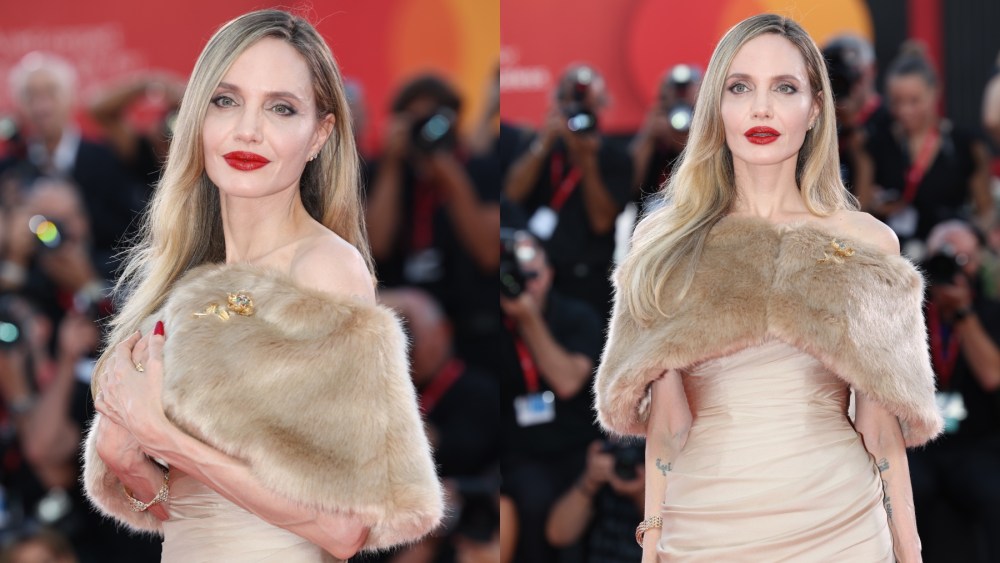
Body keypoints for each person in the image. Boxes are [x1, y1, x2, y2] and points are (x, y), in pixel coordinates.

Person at [80, 10, 442, 562]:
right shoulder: (188, 281)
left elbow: (344, 528)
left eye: (281, 108)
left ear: (320, 134)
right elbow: (193, 510)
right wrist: (127, 457)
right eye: (226, 101)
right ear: (197, 117)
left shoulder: (325, 269)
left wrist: (167, 439)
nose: (248, 129)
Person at [594, 14, 942, 562]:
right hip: (706, 529)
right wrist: (652, 543)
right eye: (740, 88)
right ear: (718, 107)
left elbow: (879, 427)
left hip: (840, 526)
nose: (761, 108)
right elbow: (666, 426)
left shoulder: (868, 242)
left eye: (785, 88)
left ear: (815, 108)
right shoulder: (663, 244)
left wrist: (909, 550)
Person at [500, 230, 603, 562]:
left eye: (533, 274)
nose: (527, 284)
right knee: (529, 495)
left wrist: (527, 318)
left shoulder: (578, 316)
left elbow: (568, 381)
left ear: (550, 273)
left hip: (575, 449)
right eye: (516, 277)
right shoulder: (494, 323)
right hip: (520, 455)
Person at [504, 64, 633, 325]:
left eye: (589, 104)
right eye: (570, 102)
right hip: (536, 276)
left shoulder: (616, 156)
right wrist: (544, 143)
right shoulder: (537, 145)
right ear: (555, 103)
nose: (579, 112)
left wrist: (587, 161)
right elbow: (510, 196)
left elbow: (602, 222)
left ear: (603, 106)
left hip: (587, 279)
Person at [909, 220, 1000, 562]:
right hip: (918, 444)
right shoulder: (907, 312)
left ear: (977, 265)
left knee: (994, 492)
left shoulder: (990, 312)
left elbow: (992, 377)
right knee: (907, 491)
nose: (952, 269)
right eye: (944, 258)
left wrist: (963, 314)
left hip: (974, 445)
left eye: (964, 260)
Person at [867, 42, 994, 253]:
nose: (905, 111)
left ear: (935, 93)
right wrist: (876, 206)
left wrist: (969, 236)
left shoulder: (965, 144)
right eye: (897, 102)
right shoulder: (876, 144)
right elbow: (860, 209)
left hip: (949, 258)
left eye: (914, 101)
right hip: (894, 259)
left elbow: (986, 210)